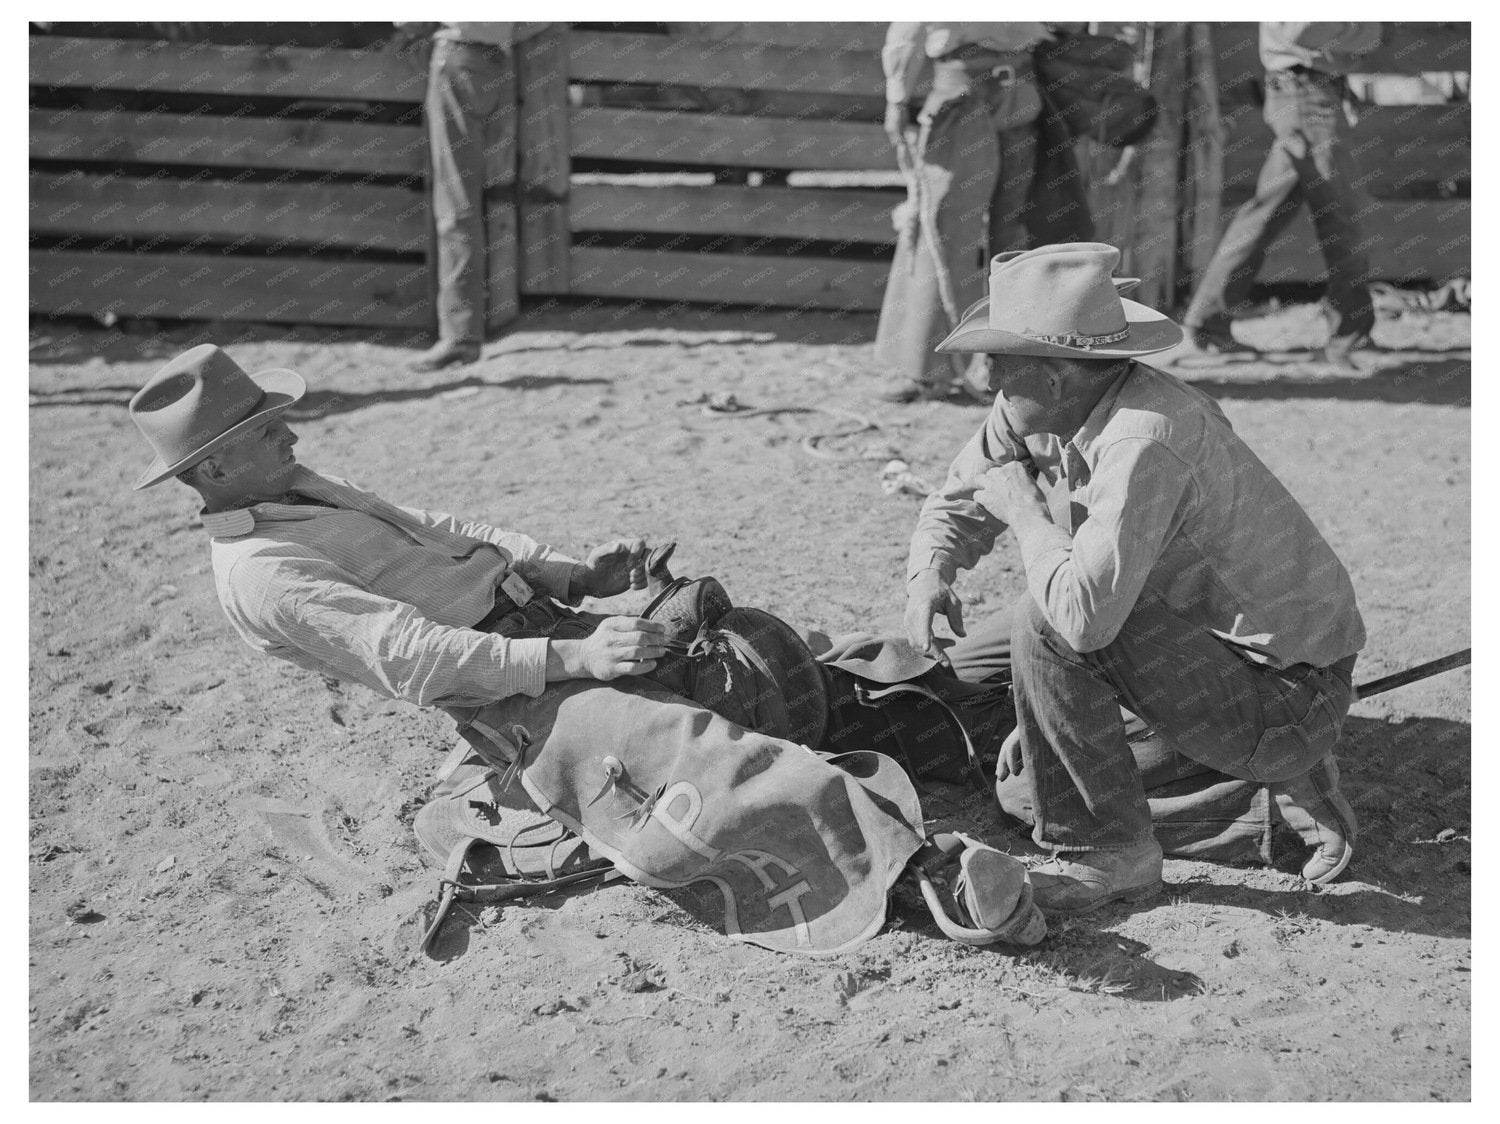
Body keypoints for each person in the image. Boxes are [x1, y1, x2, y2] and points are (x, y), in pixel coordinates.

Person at [127, 344, 1046, 953]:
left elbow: (445, 529)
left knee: (757, 648)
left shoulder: (302, 489)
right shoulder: (261, 570)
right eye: (263, 431)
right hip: (507, 691)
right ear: (210, 471)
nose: (288, 432)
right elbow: (411, 656)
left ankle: (973, 722)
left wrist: (571, 576)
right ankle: (929, 879)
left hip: (547, 632)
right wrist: (573, 662)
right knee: (679, 748)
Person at [902, 242, 1366, 915]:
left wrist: (1030, 518)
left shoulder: (1145, 437)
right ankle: (1217, 776)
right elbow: (961, 496)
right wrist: (930, 575)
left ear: (1056, 375)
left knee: (1030, 768)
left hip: (1284, 690)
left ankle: (1120, 850)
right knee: (963, 684)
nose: (988, 383)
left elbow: (1083, 621)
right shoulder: (1043, 404)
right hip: (1170, 634)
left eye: (999, 367)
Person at [1181, 22, 1383, 369]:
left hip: (1303, 91)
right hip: (1307, 92)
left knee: (1266, 212)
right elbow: (1308, 31)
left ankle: (1209, 320)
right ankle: (1351, 333)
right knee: (1341, 214)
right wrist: (1361, 25)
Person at [874, 21, 1055, 404]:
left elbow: (909, 30)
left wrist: (897, 98)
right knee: (988, 230)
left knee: (955, 230)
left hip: (985, 94)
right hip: (999, 93)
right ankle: (970, 368)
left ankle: (946, 369)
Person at [393, 22, 551, 372]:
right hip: (498, 61)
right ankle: (481, 321)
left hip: (457, 54)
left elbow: (405, 20)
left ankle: (461, 334)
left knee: (454, 202)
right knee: (492, 190)